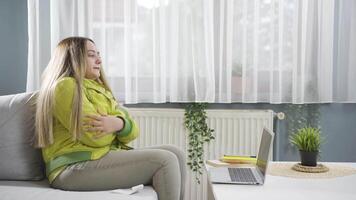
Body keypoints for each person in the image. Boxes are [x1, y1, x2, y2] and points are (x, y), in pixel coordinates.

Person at [35, 37, 186, 200]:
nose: (99, 60)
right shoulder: (66, 86)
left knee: (175, 152)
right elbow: (95, 138)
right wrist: (117, 125)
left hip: (98, 156)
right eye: (91, 55)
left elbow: (132, 133)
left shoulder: (100, 89)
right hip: (71, 168)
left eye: (98, 54)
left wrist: (118, 124)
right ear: (73, 58)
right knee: (165, 159)